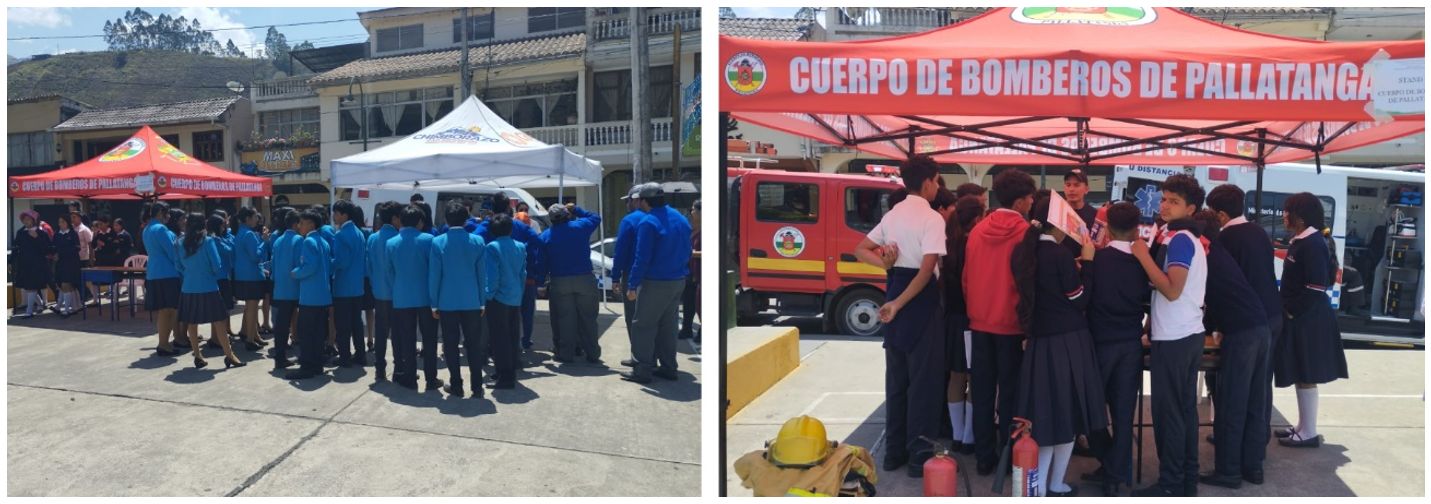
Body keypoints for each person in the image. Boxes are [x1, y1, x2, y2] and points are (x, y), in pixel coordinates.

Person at [852, 156, 946, 477]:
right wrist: (899, 303)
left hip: (896, 291)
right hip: (917, 301)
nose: (938, 186)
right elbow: (926, 271)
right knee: (923, 384)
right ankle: (919, 457)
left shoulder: (893, 214)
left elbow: (860, 249)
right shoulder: (932, 218)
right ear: (930, 181)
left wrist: (887, 268)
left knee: (897, 381)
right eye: (937, 181)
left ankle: (893, 453)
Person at [1011, 192, 1105, 497]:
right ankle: (1055, 483)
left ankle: (1039, 485)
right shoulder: (1060, 255)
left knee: (1044, 418)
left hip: (1040, 343)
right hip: (1068, 342)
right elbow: (1079, 300)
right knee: (1067, 417)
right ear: (1058, 223)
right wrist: (1088, 265)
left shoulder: (1023, 252)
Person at [1129, 174, 1207, 498]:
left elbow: (1173, 289)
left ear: (1190, 207)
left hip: (1176, 338)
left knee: (1169, 415)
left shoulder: (1181, 239)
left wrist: (1142, 255)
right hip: (1184, 334)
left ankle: (1171, 483)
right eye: (1163, 199)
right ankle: (1185, 479)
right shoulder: (1182, 238)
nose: (1164, 205)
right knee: (1184, 412)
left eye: (1173, 201)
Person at [1184, 210, 1271, 490]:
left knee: (1232, 403)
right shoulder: (1222, 254)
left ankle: (1229, 472)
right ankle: (1253, 467)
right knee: (1255, 404)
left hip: (1242, 335)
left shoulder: (1205, 258)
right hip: (1261, 328)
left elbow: (1202, 301)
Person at [1202, 184, 1282, 486]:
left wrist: (1216, 326)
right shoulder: (1259, 232)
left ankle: (1229, 469)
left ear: (1221, 214)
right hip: (1268, 319)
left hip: (1242, 324)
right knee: (1258, 396)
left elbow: (1223, 289)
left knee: (1232, 397)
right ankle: (1253, 464)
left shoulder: (1225, 240)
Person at [963, 169, 1036, 475]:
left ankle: (983, 456)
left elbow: (966, 279)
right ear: (1020, 201)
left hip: (979, 323)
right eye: (1030, 197)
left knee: (980, 392)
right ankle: (1007, 454)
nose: (1033, 202)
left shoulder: (978, 230)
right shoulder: (1026, 233)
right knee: (1010, 393)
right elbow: (1029, 283)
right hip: (1012, 324)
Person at [1079, 202, 1151, 496]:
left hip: (1099, 343)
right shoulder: (1143, 261)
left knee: (1090, 409)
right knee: (1123, 414)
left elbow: (1084, 298)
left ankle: (1108, 461)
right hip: (1131, 343)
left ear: (1106, 228)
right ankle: (1114, 473)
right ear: (1137, 229)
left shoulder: (1096, 259)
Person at [1274, 193, 1349, 448]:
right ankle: (1302, 426)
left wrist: (1292, 311)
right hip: (1302, 317)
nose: (1283, 215)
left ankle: (1309, 432)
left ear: (1300, 216)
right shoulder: (1303, 240)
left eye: (1287, 211)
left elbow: (1316, 287)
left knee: (1307, 373)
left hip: (1309, 318)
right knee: (1301, 373)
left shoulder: (1313, 243)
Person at [621, 184, 693, 384]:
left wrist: (632, 285)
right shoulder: (680, 218)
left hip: (655, 282)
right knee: (668, 326)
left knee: (642, 325)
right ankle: (669, 367)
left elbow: (641, 258)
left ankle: (642, 370)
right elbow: (688, 250)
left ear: (643, 201)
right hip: (678, 280)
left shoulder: (648, 222)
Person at [938, 193, 984, 455]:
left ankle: (957, 434)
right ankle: (969, 437)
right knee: (975, 378)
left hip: (951, 320)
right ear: (977, 218)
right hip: (973, 319)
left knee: (956, 377)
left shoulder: (947, 243)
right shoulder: (974, 246)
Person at [430, 202, 489, 397]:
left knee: (450, 345)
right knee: (473, 344)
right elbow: (482, 275)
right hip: (472, 301)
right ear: (466, 219)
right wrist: (482, 301)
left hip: (446, 302)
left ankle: (456, 384)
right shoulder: (478, 241)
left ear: (446, 219)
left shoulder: (437, 242)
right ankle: (477, 386)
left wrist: (434, 303)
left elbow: (434, 276)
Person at [177, 213, 246, 370]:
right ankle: (229, 355)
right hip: (208, 286)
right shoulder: (207, 241)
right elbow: (217, 265)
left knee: (192, 322)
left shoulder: (180, 242)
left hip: (188, 287)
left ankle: (197, 355)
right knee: (219, 321)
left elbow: (178, 266)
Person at [474, 197, 542, 352]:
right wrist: (524, 249)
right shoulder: (518, 225)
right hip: (518, 281)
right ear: (508, 208)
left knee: (493, 322)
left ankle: (491, 350)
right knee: (520, 318)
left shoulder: (486, 226)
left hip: (492, 282)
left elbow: (474, 241)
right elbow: (538, 242)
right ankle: (521, 345)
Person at [387, 205, 442, 391]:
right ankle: (431, 379)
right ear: (420, 222)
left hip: (401, 297)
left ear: (401, 221)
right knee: (429, 340)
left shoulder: (391, 243)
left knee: (407, 340)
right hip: (426, 297)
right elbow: (434, 271)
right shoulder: (429, 240)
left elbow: (389, 273)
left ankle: (410, 378)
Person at [540, 204, 603, 364]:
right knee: (588, 318)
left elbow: (542, 262)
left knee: (564, 319)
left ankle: (565, 353)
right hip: (584, 278)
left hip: (560, 280)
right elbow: (596, 217)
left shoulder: (546, 236)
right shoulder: (580, 227)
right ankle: (593, 353)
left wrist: (540, 282)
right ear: (567, 215)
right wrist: (576, 208)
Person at [287, 210, 333, 380]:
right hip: (323, 295)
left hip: (310, 296)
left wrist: (295, 273)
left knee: (306, 333)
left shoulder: (309, 242)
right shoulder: (323, 242)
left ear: (311, 224)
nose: (299, 226)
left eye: (302, 222)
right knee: (318, 333)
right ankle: (317, 365)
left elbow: (310, 267)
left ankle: (307, 367)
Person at [484, 213, 526, 390]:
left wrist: (488, 295)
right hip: (515, 296)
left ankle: (505, 376)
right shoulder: (520, 246)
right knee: (512, 335)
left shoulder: (492, 247)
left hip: (498, 297)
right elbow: (523, 273)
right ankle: (506, 371)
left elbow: (492, 277)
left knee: (499, 339)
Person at [612, 184, 648, 365]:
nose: (627, 204)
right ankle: (658, 359)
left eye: (628, 201)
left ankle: (639, 358)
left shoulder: (630, 221)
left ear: (636, 200)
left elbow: (621, 252)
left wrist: (615, 277)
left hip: (633, 276)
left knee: (633, 317)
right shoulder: (666, 217)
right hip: (659, 278)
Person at [367, 201, 403, 383]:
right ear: (395, 218)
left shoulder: (373, 238)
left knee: (380, 333)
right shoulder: (398, 239)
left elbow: (369, 267)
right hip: (397, 295)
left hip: (379, 293)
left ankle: (379, 370)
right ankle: (399, 369)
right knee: (398, 334)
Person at [142, 202, 184, 355]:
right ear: (160, 212)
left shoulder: (147, 228)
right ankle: (164, 344)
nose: (168, 216)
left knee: (163, 311)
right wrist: (183, 268)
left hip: (154, 272)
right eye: (166, 213)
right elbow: (172, 252)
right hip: (167, 274)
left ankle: (164, 342)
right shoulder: (160, 229)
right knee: (169, 310)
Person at [331, 200, 368, 367]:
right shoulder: (359, 233)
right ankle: (360, 354)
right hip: (357, 286)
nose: (333, 216)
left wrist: (328, 263)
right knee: (357, 324)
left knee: (343, 325)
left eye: (336, 213)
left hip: (343, 286)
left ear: (344, 215)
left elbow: (341, 262)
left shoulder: (340, 234)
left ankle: (344, 356)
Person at [231, 207, 268, 351]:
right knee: (252, 308)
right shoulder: (249, 234)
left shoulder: (239, 233)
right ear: (247, 219)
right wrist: (264, 242)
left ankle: (253, 335)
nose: (257, 219)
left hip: (241, 275)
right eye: (254, 217)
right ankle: (250, 339)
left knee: (249, 307)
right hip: (252, 276)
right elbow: (255, 256)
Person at [269, 207, 301, 370]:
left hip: (280, 288)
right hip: (294, 288)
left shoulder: (278, 240)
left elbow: (273, 265)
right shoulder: (299, 240)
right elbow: (300, 266)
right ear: (296, 224)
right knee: (298, 322)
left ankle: (279, 357)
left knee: (281, 326)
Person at [13, 211, 54, 318]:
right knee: (28, 287)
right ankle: (40, 304)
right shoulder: (20, 232)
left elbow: (47, 249)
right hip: (25, 263)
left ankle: (29, 310)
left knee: (32, 287)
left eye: (28, 219)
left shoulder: (41, 233)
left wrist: (37, 238)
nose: (26, 221)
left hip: (37, 264)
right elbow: (16, 247)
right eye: (24, 219)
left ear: (34, 220)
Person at [680, 199, 702, 351]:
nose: (691, 212)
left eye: (694, 209)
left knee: (700, 305)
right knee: (688, 304)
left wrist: (692, 253)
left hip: (700, 273)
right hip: (689, 273)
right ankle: (686, 327)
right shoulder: (690, 228)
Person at [51, 216, 84, 316]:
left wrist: (62, 253)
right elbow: (53, 247)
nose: (60, 224)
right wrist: (54, 254)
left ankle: (67, 309)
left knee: (67, 284)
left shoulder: (73, 234)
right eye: (59, 222)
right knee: (63, 285)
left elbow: (77, 248)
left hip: (71, 263)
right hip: (60, 263)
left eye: (63, 222)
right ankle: (70, 307)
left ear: (67, 223)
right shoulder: (57, 234)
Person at [69, 211, 96, 305]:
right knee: (76, 278)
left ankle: (86, 296)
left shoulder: (84, 229)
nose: (72, 219)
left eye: (74, 217)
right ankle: (84, 296)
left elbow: (90, 244)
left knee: (82, 278)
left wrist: (92, 258)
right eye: (71, 217)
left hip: (84, 257)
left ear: (79, 218)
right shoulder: (71, 229)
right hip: (74, 257)